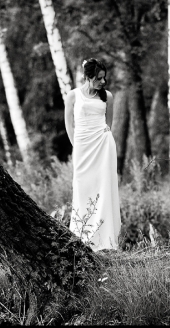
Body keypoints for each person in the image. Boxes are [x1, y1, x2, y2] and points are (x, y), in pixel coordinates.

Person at [64, 58, 121, 251]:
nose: (103, 82)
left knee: (103, 188)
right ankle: (83, 237)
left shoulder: (108, 97)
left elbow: (109, 124)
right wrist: (77, 146)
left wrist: (103, 140)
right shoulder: (73, 96)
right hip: (82, 146)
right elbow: (69, 124)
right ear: (87, 77)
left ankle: (106, 240)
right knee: (82, 188)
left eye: (104, 78)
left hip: (103, 146)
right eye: (99, 78)